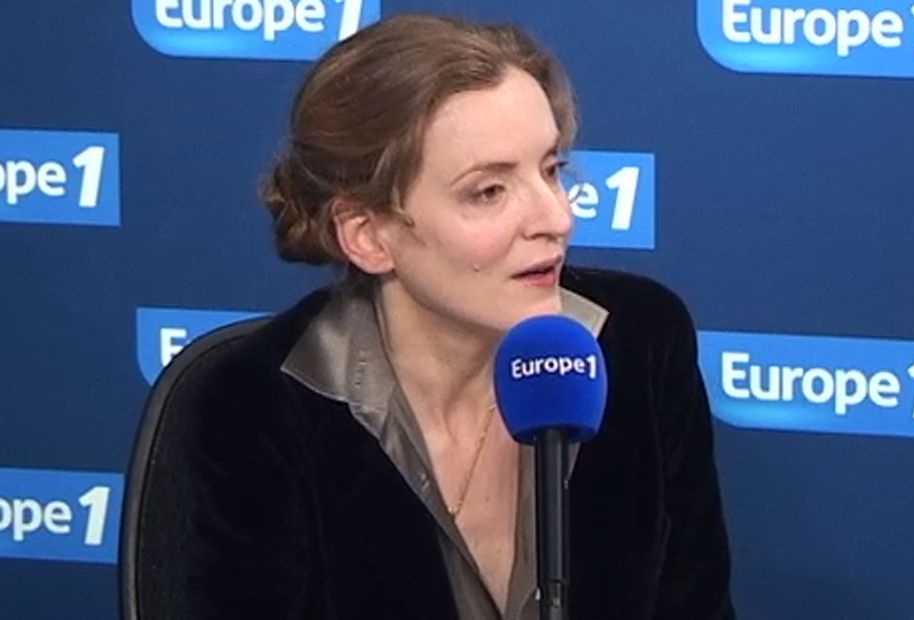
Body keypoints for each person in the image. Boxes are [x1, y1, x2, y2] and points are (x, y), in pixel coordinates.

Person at [182, 13, 735, 620]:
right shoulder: (263, 406)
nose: (556, 218)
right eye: (489, 191)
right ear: (367, 235)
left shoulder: (640, 342)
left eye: (551, 170)